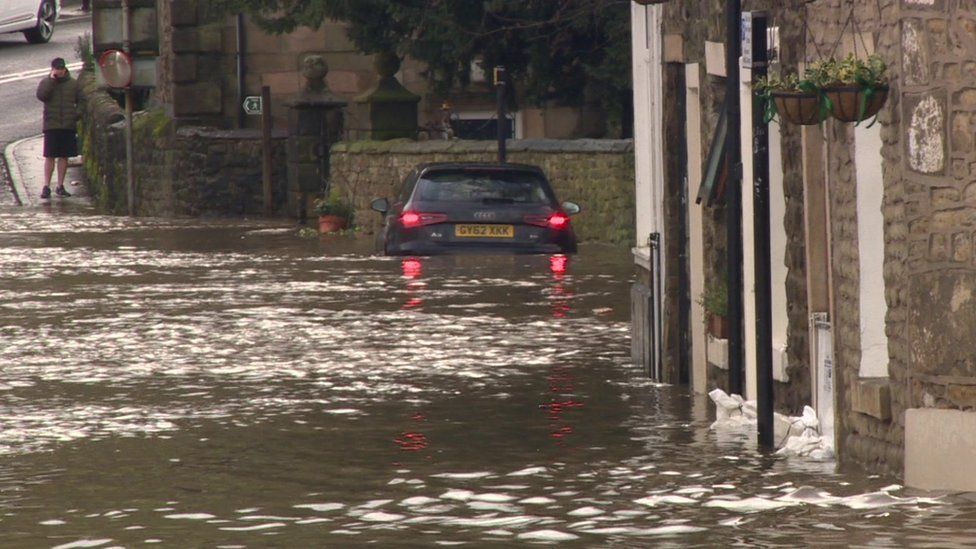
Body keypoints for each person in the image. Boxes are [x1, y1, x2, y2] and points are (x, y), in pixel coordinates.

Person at [36, 57, 81, 199]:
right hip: (52, 125)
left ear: (65, 69)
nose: (59, 71)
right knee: (49, 156)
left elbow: (82, 101)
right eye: (57, 69)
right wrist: (51, 81)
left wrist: (76, 115)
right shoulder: (46, 82)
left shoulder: (73, 84)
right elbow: (41, 95)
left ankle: (60, 185)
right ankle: (46, 186)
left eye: (61, 69)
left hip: (67, 125)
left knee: (64, 156)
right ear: (52, 69)